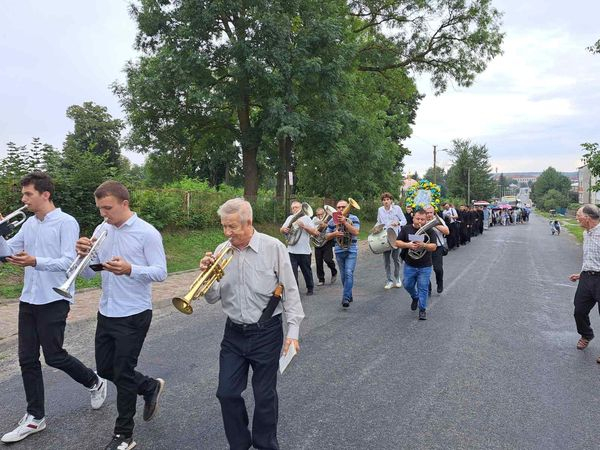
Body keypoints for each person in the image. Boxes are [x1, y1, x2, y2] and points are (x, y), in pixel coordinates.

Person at [0, 172, 107, 444]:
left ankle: (94, 381)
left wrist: (36, 261)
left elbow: (69, 262)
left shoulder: (65, 222)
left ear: (45, 194)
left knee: (54, 355)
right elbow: (8, 252)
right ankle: (35, 417)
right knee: (26, 358)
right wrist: (1, 234)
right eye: (23, 195)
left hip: (55, 298)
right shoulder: (29, 224)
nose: (23, 200)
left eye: (28, 195)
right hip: (29, 298)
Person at [201, 198, 305, 450]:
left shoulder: (273, 247)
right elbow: (213, 297)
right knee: (226, 393)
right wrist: (206, 276)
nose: (227, 233)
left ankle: (265, 444)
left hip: (266, 332)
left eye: (232, 227)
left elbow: (290, 290)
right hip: (234, 333)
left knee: (264, 395)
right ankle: (239, 444)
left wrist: (293, 332)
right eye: (224, 226)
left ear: (248, 223)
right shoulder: (221, 250)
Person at [76, 181, 167, 450]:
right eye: (100, 208)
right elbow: (90, 273)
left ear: (124, 204)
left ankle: (124, 435)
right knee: (105, 369)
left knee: (123, 372)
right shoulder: (101, 229)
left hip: (134, 313)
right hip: (107, 310)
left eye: (108, 208)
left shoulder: (146, 233)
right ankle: (149, 386)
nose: (104, 214)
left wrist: (130, 269)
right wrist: (81, 255)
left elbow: (161, 272)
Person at [395, 209, 437, 320]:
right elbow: (397, 242)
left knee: (423, 287)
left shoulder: (429, 230)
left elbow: (433, 247)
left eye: (422, 219)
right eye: (417, 218)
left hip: (425, 265)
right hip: (410, 264)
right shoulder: (406, 229)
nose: (420, 221)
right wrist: (408, 245)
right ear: (413, 218)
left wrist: (424, 245)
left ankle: (422, 309)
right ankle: (415, 296)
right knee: (407, 284)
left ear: (426, 220)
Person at [569, 204, 600, 356]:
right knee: (579, 311)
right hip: (586, 278)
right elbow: (591, 258)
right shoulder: (586, 234)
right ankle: (586, 334)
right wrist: (581, 274)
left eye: (578, 215)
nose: (576, 218)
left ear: (587, 218)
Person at [326, 199, 361, 307]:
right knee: (343, 276)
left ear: (348, 207)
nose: (341, 209)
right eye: (339, 207)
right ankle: (349, 294)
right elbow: (326, 236)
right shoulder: (332, 220)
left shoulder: (354, 218)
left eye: (343, 207)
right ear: (336, 209)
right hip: (339, 249)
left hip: (351, 249)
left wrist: (345, 221)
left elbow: (356, 232)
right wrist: (335, 233)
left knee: (349, 272)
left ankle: (345, 298)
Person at [280, 201, 318, 295]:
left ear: (301, 208)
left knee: (306, 271)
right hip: (291, 250)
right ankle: (295, 291)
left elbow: (315, 232)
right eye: (292, 208)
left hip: (304, 251)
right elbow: (281, 229)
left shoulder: (307, 218)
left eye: (296, 207)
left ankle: (310, 288)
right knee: (292, 273)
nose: (294, 209)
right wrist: (283, 230)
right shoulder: (290, 218)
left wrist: (304, 226)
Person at [375, 192, 406, 289]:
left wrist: (398, 222)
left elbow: (404, 221)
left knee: (396, 259)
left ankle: (397, 278)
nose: (386, 201)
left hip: (396, 237)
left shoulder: (397, 208)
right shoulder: (380, 210)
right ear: (382, 201)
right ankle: (389, 280)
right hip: (384, 237)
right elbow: (379, 222)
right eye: (384, 200)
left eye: (388, 199)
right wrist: (376, 228)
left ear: (391, 200)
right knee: (386, 260)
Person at [424, 205, 450, 295]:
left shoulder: (438, 220)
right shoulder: (421, 220)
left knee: (438, 269)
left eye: (430, 212)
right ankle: (428, 288)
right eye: (427, 213)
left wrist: (434, 224)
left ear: (433, 212)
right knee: (425, 270)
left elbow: (447, 231)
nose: (429, 214)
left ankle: (440, 283)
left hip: (437, 247)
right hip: (425, 248)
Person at [312, 207, 337, 285]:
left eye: (321, 214)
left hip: (327, 241)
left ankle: (334, 271)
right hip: (317, 242)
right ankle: (321, 280)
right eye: (318, 214)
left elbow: (333, 228)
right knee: (318, 262)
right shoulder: (314, 220)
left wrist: (325, 225)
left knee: (328, 259)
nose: (320, 216)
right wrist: (316, 230)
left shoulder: (330, 219)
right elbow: (312, 229)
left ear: (325, 213)